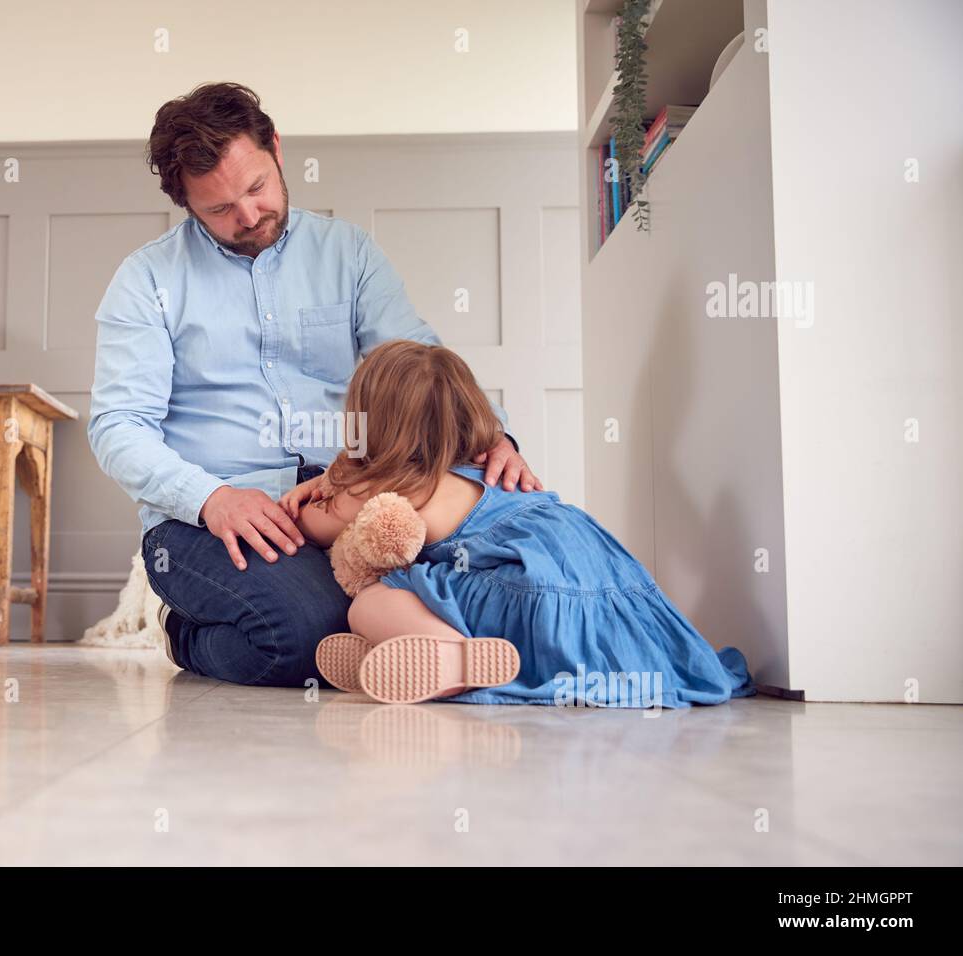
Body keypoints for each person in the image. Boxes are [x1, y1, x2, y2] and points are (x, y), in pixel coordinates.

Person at [88, 82, 541, 688]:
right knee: (307, 634)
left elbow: (418, 356)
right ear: (186, 204)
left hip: (344, 493)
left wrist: (494, 435)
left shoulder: (347, 253)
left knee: (484, 588)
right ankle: (184, 632)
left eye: (256, 188)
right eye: (220, 209)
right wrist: (212, 498)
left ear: (276, 147)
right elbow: (118, 428)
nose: (248, 217)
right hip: (208, 516)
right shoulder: (146, 279)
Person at [279, 340, 757, 707]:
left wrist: (316, 486)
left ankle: (453, 657)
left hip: (530, 590)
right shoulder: (491, 468)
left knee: (369, 600)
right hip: (603, 581)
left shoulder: (387, 487)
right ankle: (399, 659)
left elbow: (307, 525)